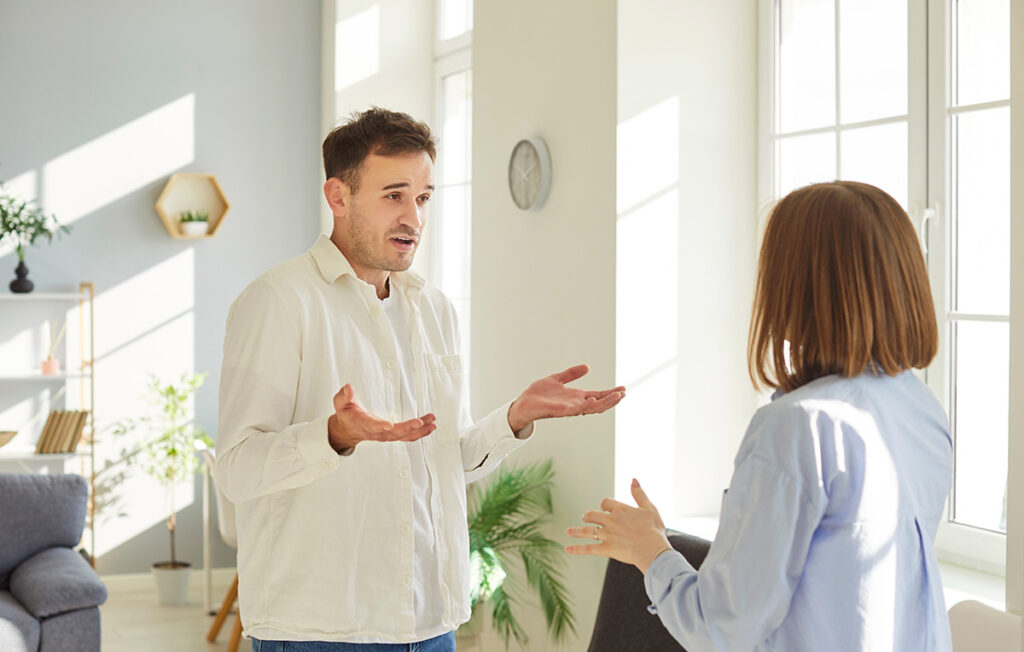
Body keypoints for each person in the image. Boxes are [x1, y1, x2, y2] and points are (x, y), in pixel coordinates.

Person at [215, 107, 625, 652]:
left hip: (431, 622)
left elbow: (445, 461)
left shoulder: (434, 309)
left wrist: (513, 418)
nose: (414, 217)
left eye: (424, 197)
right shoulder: (278, 301)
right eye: (394, 195)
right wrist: (333, 436)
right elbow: (237, 470)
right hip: (321, 630)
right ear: (338, 197)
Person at [568, 181, 953, 651]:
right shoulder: (920, 408)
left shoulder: (798, 427)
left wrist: (650, 550)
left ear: (803, 284)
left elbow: (720, 629)